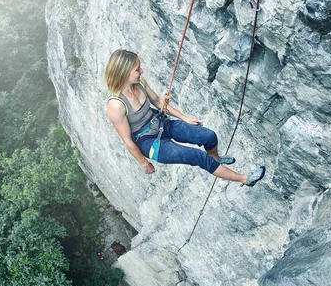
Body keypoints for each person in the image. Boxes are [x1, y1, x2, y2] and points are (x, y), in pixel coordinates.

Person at [105, 49, 265, 186]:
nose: (142, 71)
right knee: (198, 156)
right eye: (137, 69)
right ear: (125, 73)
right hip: (149, 142)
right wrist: (144, 163)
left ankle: (215, 159)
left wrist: (184, 117)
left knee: (208, 136)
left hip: (161, 123)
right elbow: (127, 141)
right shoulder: (116, 105)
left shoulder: (140, 83)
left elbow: (158, 102)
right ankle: (245, 179)